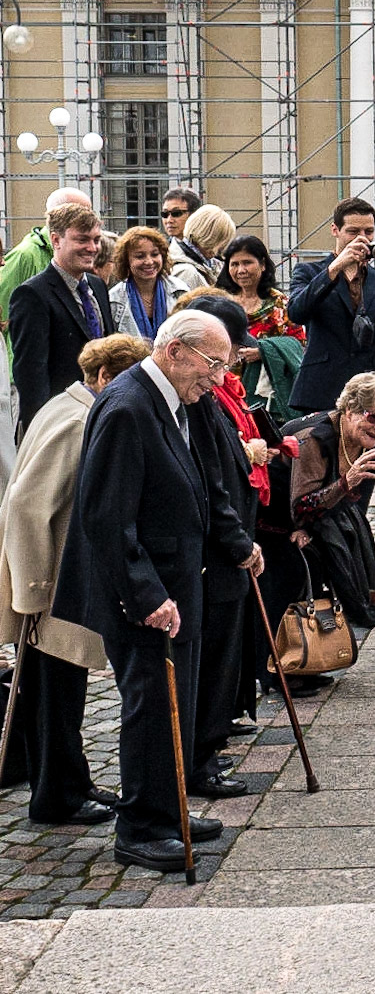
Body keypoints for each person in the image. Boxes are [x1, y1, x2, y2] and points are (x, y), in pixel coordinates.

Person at [51, 310, 243, 873]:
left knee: (173, 701)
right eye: (213, 364)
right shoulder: (130, 406)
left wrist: (230, 544)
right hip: (141, 594)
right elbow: (106, 518)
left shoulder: (177, 399)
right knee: (151, 705)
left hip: (176, 582)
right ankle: (141, 827)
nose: (218, 378)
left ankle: (169, 809)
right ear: (175, 352)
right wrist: (146, 595)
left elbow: (201, 480)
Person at [0, 334, 149, 824]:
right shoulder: (76, 421)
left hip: (60, 581)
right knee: (54, 695)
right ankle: (56, 796)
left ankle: (72, 779)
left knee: (62, 691)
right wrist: (33, 589)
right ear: (106, 377)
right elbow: (25, 505)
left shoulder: (71, 406)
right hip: (50, 587)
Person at [170, 295, 273, 800]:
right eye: (219, 360)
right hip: (216, 552)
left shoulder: (206, 395)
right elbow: (215, 482)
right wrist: (238, 543)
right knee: (209, 661)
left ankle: (203, 750)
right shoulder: (199, 400)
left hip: (228, 544)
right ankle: (199, 759)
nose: (224, 370)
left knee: (220, 656)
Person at [289, 371, 375, 631]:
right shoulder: (314, 438)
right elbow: (301, 505)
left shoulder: (367, 438)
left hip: (320, 515)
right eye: (374, 417)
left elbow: (351, 499)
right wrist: (345, 483)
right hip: (277, 517)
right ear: (351, 409)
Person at [286, 197, 375, 414]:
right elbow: (297, 312)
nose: (362, 239)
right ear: (335, 230)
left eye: (368, 232)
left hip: (370, 392)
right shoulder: (309, 272)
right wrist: (335, 268)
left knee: (371, 449)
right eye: (353, 232)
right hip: (321, 391)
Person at [10, 202, 117, 439]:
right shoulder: (32, 294)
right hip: (60, 426)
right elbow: (30, 374)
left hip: (100, 415)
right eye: (82, 240)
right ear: (56, 240)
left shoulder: (98, 286)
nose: (92, 248)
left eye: (96, 240)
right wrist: (41, 431)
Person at [0, 188, 93, 363]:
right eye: (80, 212)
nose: (87, 218)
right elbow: (3, 309)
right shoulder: (26, 255)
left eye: (89, 211)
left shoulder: (81, 252)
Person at [216, 235, 305, 343]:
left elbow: (298, 345)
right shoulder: (221, 303)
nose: (241, 270)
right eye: (234, 264)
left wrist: (263, 352)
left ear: (262, 264)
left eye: (247, 263)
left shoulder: (280, 304)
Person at [109, 226, 189, 342]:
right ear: (126, 260)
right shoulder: (114, 301)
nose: (149, 262)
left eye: (155, 254)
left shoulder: (181, 292)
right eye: (140, 256)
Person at [172, 203, 234, 292]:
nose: (221, 248)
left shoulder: (210, 264)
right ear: (210, 237)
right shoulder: (187, 272)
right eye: (221, 241)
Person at [157, 187, 205, 287]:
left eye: (176, 213)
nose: (169, 220)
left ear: (194, 215)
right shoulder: (160, 254)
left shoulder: (211, 251)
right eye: (165, 214)